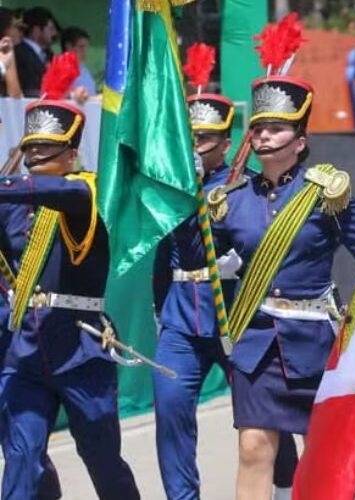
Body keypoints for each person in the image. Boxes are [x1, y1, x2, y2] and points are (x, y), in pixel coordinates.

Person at [207, 66, 355, 499]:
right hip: (257, 343)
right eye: (259, 128)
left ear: (299, 140)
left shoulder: (326, 192)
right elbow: (201, 261)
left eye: (276, 128)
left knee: (321, 455)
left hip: (315, 343)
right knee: (252, 448)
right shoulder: (231, 200)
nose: (264, 136)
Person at [153, 47, 300, 499]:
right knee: (171, 411)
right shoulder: (174, 186)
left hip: (235, 316)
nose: (195, 146)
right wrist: (161, 310)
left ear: (224, 140)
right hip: (181, 318)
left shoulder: (245, 187)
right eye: (189, 138)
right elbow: (163, 252)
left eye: (204, 139)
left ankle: (283, 487)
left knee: (266, 416)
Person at [0, 53, 140, 499]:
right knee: (21, 456)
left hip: (80, 350)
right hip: (26, 350)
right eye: (30, 148)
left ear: (72, 152)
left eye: (46, 149)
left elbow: (48, 191)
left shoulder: (84, 191)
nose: (35, 158)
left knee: (101, 460)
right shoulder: (15, 205)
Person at [14, 6, 56, 98]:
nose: (54, 34)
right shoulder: (20, 52)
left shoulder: (49, 55)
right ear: (36, 30)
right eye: (50, 29)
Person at [58, 26, 94, 96]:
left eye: (86, 46)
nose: (85, 51)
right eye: (81, 46)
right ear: (69, 46)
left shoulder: (83, 68)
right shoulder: (61, 67)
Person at [0, 8, 24, 97]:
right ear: (4, 30)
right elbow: (15, 94)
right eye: (15, 26)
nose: (19, 31)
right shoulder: (5, 52)